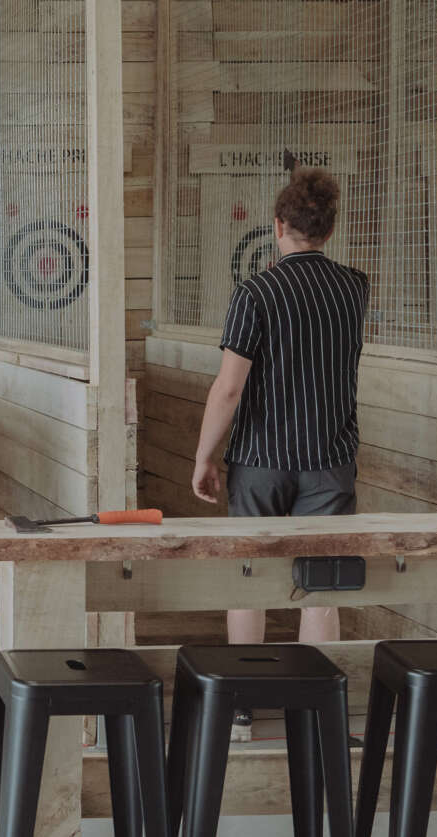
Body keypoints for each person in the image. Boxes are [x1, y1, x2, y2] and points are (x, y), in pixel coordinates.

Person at [189, 166, 368, 740]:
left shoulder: (255, 292)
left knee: (249, 579)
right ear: (330, 229)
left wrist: (204, 456)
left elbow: (229, 388)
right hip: (329, 460)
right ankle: (316, 716)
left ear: (277, 226)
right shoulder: (354, 287)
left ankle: (241, 708)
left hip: (261, 458)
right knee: (321, 588)